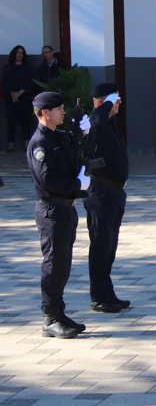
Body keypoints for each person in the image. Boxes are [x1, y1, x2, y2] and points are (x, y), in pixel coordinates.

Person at [27, 91, 90, 339]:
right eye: (59, 109)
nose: (63, 112)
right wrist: (77, 183)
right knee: (54, 265)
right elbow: (47, 178)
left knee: (62, 265)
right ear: (46, 113)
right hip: (52, 209)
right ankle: (50, 317)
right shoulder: (40, 143)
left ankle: (59, 313)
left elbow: (75, 145)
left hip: (65, 208)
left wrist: (83, 131)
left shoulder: (55, 136)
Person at [83, 83, 130, 313]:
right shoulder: (93, 123)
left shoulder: (109, 123)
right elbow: (96, 120)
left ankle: (107, 293)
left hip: (114, 193)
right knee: (101, 246)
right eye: (115, 98)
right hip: (100, 194)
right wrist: (108, 103)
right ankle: (99, 297)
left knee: (109, 246)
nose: (120, 102)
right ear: (103, 102)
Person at [3, 45, 34, 152]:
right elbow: (5, 81)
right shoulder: (8, 66)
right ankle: (10, 144)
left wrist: (19, 93)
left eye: (22, 53)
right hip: (11, 98)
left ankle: (27, 143)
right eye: (18, 52)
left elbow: (29, 82)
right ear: (14, 54)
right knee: (11, 119)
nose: (20, 55)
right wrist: (12, 94)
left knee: (26, 119)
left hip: (24, 97)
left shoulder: (27, 67)